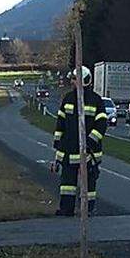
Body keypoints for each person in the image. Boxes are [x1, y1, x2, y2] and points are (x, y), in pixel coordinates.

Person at [50, 67, 107, 216]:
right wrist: (57, 143)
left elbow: (101, 126)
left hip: (88, 153)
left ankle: (87, 210)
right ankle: (66, 209)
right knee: (67, 185)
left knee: (88, 184)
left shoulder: (96, 101)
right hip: (68, 152)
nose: (71, 82)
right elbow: (60, 124)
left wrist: (90, 143)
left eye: (74, 79)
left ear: (83, 81)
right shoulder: (68, 99)